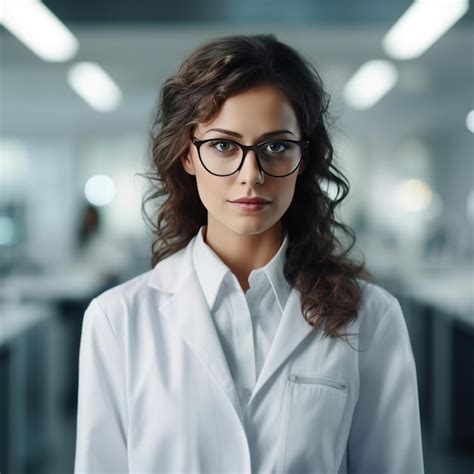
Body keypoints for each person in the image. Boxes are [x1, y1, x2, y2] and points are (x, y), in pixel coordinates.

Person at [74, 34, 424, 473]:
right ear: (187, 154)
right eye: (223, 146)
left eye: (276, 146)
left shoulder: (371, 317)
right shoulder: (117, 319)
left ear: (305, 155)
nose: (251, 175)